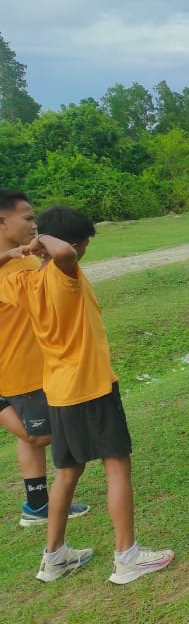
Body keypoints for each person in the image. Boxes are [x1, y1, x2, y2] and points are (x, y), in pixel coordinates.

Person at [0, 205, 173, 584]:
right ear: (76, 245)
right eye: (84, 244)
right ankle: (127, 558)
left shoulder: (22, 281)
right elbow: (61, 254)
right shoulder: (65, 273)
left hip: (59, 390)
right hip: (90, 386)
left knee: (67, 471)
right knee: (116, 463)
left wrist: (16, 253)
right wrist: (40, 242)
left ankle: (54, 557)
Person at [0, 189, 91, 527]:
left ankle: (37, 505)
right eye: (27, 217)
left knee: (37, 437)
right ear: (2, 220)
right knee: (40, 436)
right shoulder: (8, 263)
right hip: (17, 371)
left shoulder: (25, 260)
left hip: (40, 367)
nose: (34, 224)